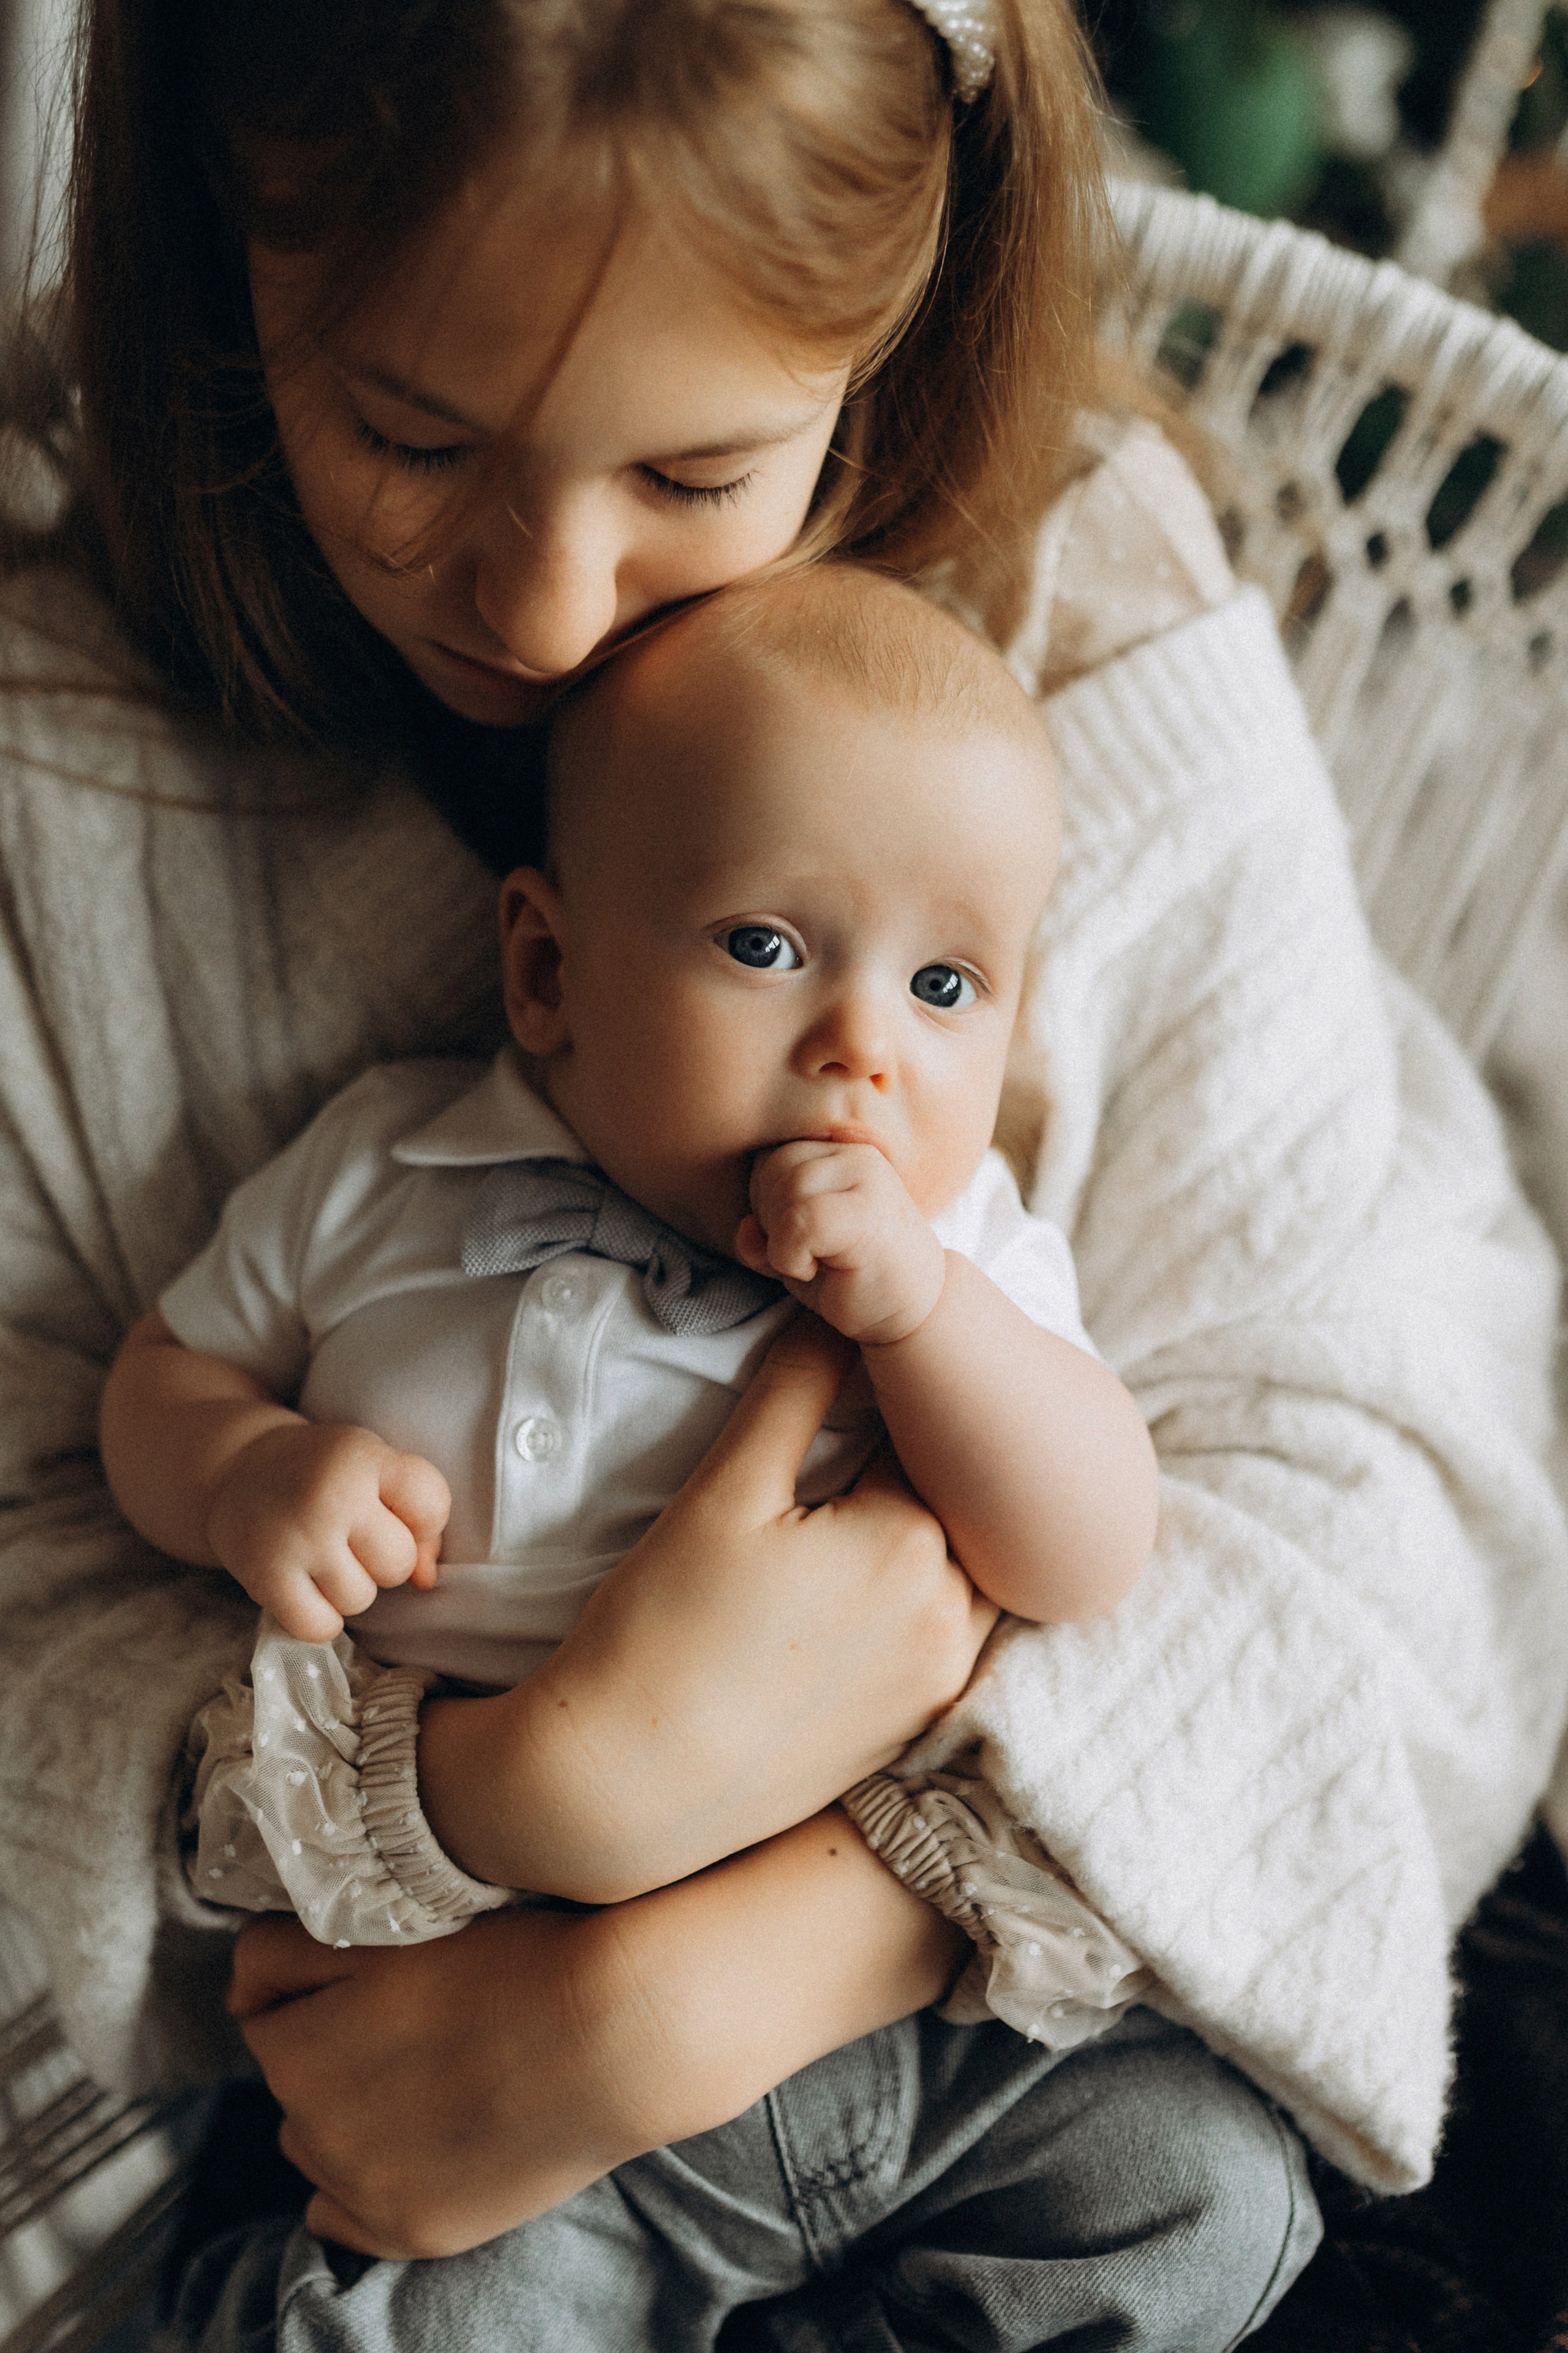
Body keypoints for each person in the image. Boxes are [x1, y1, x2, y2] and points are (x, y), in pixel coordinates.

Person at [0, 0, 1563, 2346]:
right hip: (399, 2069)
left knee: (1201, 2202)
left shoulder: (1077, 638)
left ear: (894, 330)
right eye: (409, 436)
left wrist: (710, 1973)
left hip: (951, 2006)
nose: (544, 615)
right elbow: (60, 1506)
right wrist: (505, 1798)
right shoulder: (69, 738)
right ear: (227, 254)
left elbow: (1370, 1514)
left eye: (702, 473)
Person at [99, 565, 1160, 1950]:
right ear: (546, 971)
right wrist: (240, 1468)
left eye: (942, 986)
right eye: (765, 944)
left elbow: (1086, 1553)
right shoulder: (384, 1165)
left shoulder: (960, 1250)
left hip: (816, 1939)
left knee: (1175, 2160)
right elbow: (161, 1376)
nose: (864, 1046)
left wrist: (919, 1316)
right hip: (435, 1915)